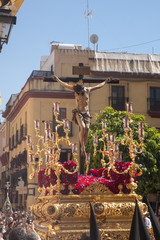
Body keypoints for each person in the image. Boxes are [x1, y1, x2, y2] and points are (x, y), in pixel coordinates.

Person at [53, 76, 109, 157]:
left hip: (86, 113)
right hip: (78, 112)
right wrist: (57, 79)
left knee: (87, 128)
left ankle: (83, 146)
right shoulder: (75, 89)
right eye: (77, 92)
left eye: (79, 91)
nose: (78, 93)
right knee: (82, 127)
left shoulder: (87, 90)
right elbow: (65, 85)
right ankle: (82, 146)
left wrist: (106, 81)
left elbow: (98, 86)